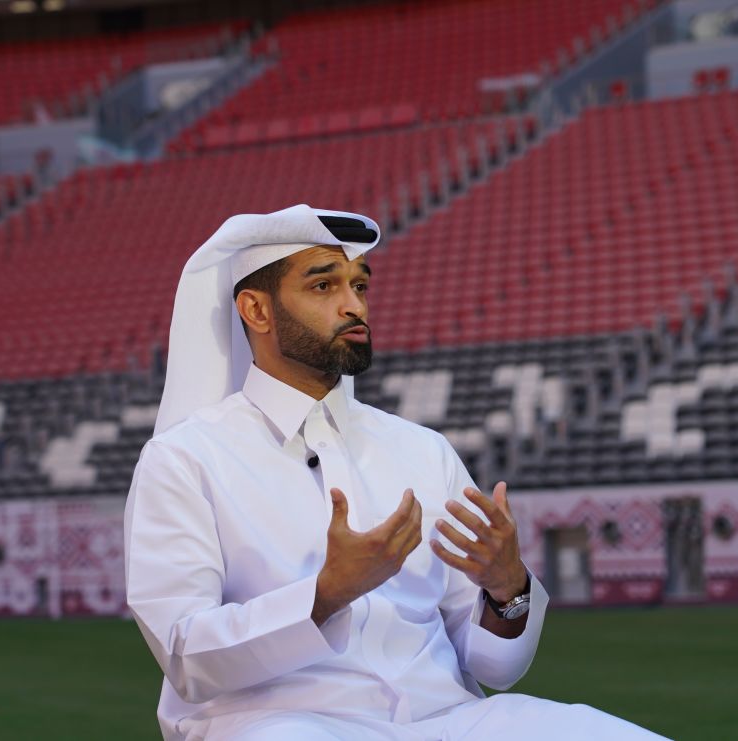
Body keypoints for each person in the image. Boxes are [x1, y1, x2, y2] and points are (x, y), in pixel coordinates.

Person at [124, 205, 668, 740]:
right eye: (323, 287)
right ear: (256, 311)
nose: (353, 306)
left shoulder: (422, 450)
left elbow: (495, 669)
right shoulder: (186, 458)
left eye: (359, 286)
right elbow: (185, 655)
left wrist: (509, 591)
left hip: (447, 719)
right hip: (279, 722)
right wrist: (326, 594)